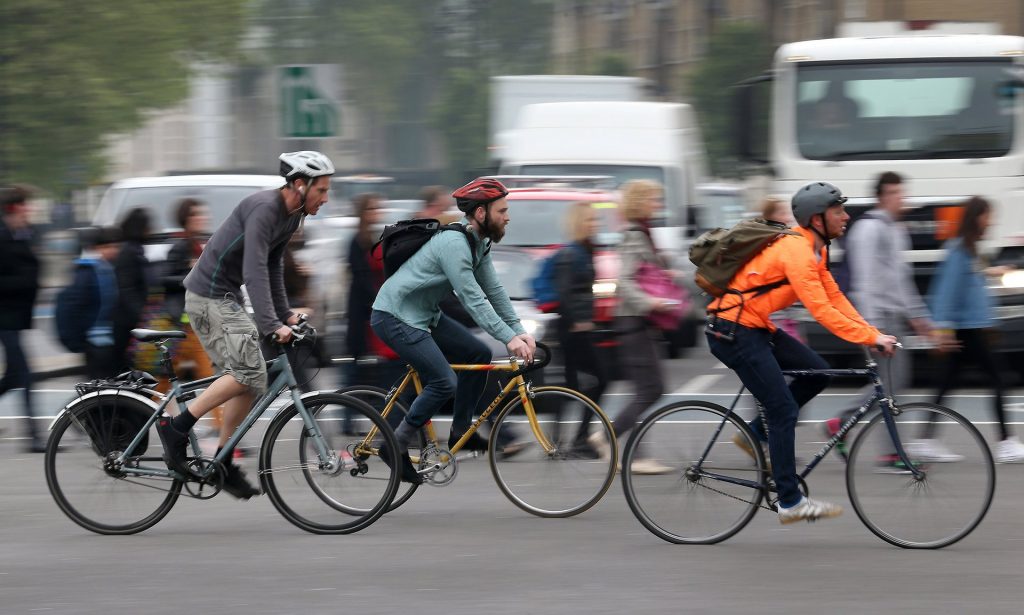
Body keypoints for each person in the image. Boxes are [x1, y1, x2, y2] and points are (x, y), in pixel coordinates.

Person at [705, 182, 896, 524]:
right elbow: (821, 310)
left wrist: (873, 333)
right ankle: (790, 501)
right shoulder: (796, 250)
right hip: (732, 331)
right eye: (838, 211)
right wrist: (869, 337)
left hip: (754, 325)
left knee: (818, 371)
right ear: (816, 218)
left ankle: (755, 435)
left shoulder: (816, 250)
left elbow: (835, 298)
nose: (846, 216)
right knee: (781, 409)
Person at [156, 150, 335, 500]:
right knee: (247, 371)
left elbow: (272, 269)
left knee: (252, 378)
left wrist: (284, 315)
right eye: (322, 191)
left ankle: (222, 459)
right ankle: (176, 427)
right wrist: (271, 323)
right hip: (208, 295)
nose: (325, 199)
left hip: (226, 297)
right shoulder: (265, 209)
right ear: (299, 185)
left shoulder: (291, 216)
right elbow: (253, 269)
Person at [370, 178, 535, 483]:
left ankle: (462, 429)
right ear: (481, 213)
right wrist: (509, 339)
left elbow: (494, 291)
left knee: (478, 352)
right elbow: (473, 299)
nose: (508, 216)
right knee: (444, 381)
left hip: (424, 315)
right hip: (395, 316)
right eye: (502, 210)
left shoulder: (479, 242)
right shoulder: (454, 244)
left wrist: (518, 330)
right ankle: (394, 444)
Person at [823, 172, 948, 464]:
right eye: (894, 193)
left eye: (902, 193)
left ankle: (839, 423)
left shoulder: (895, 230)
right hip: (876, 319)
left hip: (893, 316)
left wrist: (919, 318)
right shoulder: (868, 229)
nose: (900, 198)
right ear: (881, 197)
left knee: (893, 382)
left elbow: (900, 281)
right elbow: (863, 283)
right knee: (890, 385)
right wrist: (871, 329)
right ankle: (891, 452)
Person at [922, 196, 1024, 463]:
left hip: (970, 328)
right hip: (966, 330)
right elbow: (946, 292)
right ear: (977, 218)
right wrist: (942, 331)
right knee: (999, 379)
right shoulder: (959, 249)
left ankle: (925, 439)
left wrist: (993, 271)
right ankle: (1006, 443)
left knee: (946, 384)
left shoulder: (970, 248)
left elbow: (972, 280)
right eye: (988, 216)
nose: (991, 222)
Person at [587, 179, 674, 474]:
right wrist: (651, 302)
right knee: (651, 389)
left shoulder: (643, 233)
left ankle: (636, 453)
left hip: (638, 323)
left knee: (646, 389)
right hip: (634, 322)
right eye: (653, 199)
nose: (658, 204)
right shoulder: (635, 235)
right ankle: (612, 438)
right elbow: (624, 281)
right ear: (639, 202)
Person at [161, 199, 222, 437]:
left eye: (203, 214)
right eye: (198, 215)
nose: (203, 218)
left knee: (210, 377)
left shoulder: (197, 245)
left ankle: (219, 428)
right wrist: (191, 271)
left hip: (195, 326)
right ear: (187, 219)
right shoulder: (179, 247)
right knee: (163, 383)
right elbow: (165, 280)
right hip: (180, 326)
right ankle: (141, 416)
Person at [554, 202, 609, 456]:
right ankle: (576, 440)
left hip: (581, 328)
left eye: (596, 220)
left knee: (573, 385)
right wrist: (578, 320)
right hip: (572, 331)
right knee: (596, 380)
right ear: (579, 223)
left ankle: (566, 441)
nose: (594, 224)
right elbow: (564, 292)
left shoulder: (586, 250)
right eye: (589, 220)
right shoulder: (571, 254)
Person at [0, 186, 42, 452]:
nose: (29, 211)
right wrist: (25, 281)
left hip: (15, 315)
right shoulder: (3, 236)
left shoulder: (21, 234)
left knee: (14, 376)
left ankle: (34, 436)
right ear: (14, 209)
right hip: (4, 316)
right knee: (24, 375)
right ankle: (34, 437)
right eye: (25, 206)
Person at [73, 226, 122, 380]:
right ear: (97, 248)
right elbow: (80, 303)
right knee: (97, 387)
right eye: (108, 246)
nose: (113, 250)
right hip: (94, 339)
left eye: (115, 245)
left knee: (103, 386)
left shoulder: (107, 268)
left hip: (106, 337)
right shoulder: (90, 271)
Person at [112, 207, 152, 373]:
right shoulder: (129, 252)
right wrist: (141, 316)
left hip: (130, 318)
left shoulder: (134, 249)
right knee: (128, 368)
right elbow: (126, 288)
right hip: (127, 321)